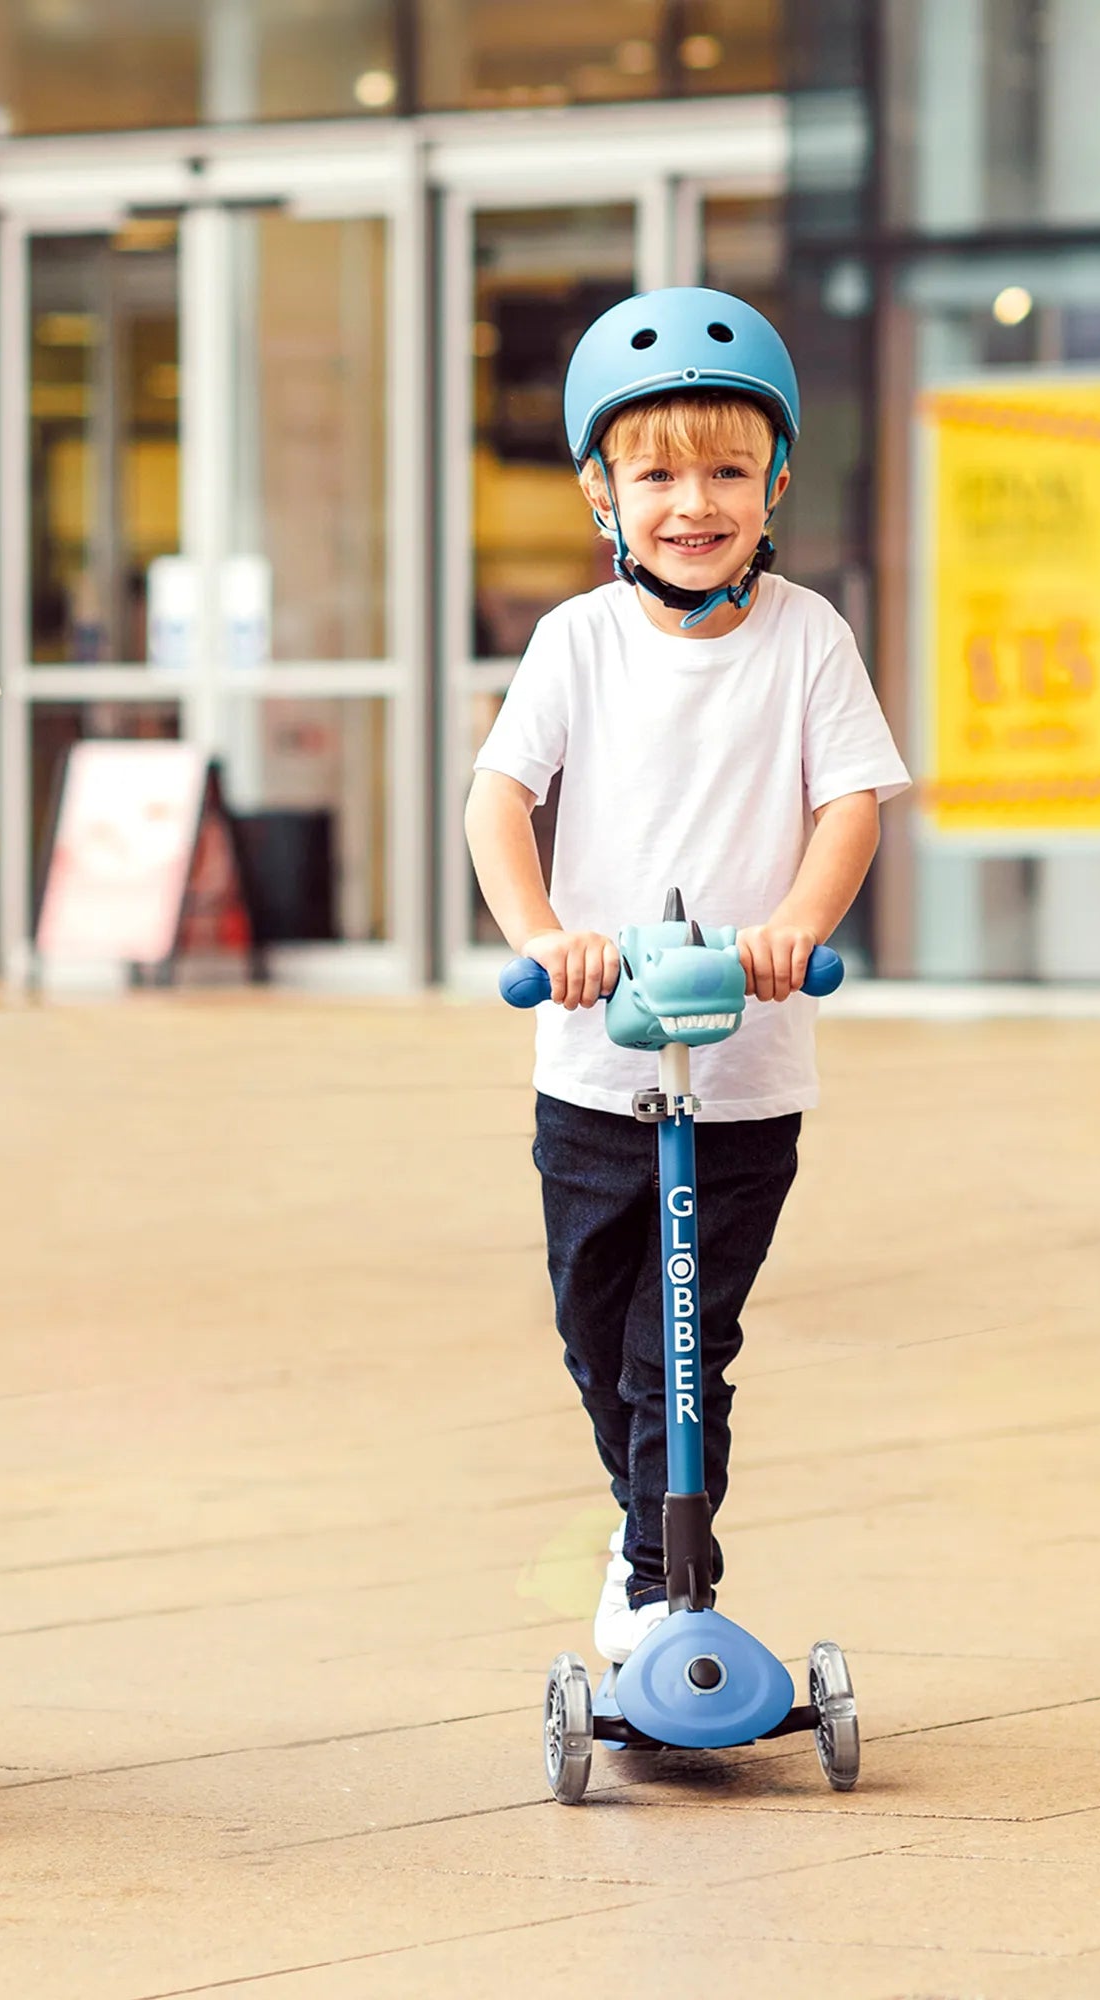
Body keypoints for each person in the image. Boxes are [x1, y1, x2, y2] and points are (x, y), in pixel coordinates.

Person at [464, 288, 909, 1664]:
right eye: (656, 472)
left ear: (773, 484)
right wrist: (543, 935)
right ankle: (638, 1527)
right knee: (600, 1329)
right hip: (596, 1060)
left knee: (685, 1333)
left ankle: (672, 1579)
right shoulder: (578, 642)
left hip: (742, 1068)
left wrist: (794, 922)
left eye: (726, 469)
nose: (692, 502)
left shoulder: (807, 635)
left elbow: (852, 805)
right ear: (604, 491)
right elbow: (498, 798)